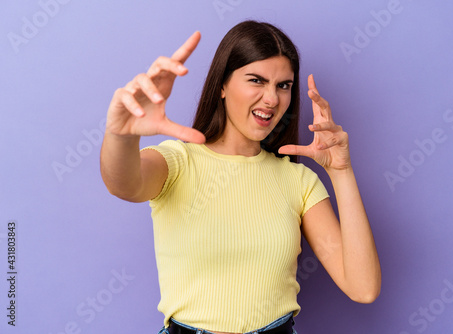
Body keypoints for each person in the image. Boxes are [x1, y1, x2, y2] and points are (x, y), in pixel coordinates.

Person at [100, 20, 381, 334]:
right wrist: (121, 136)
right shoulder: (179, 162)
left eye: (283, 85)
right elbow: (122, 183)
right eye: (256, 80)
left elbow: (363, 287)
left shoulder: (298, 180)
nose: (272, 99)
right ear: (222, 85)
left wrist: (341, 172)